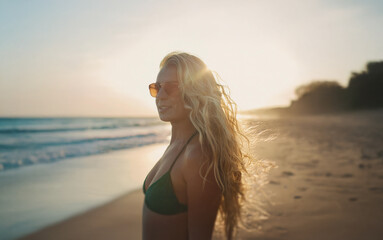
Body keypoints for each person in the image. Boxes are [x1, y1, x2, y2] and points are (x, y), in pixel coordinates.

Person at [142, 52, 250, 240]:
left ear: (195, 91)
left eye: (171, 87)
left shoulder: (198, 156)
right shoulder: (177, 143)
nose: (160, 96)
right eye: (156, 88)